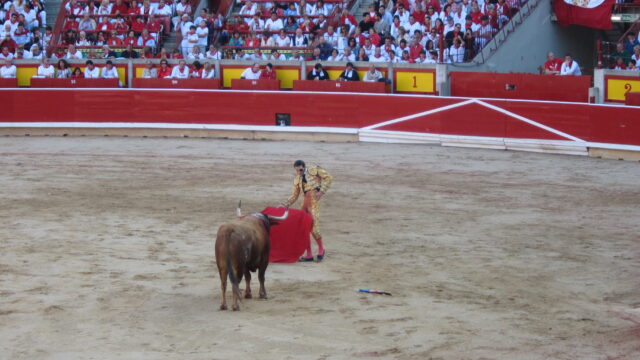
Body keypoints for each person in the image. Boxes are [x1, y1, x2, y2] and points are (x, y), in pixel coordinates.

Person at [284, 160, 333, 262]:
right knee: (304, 229)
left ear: (304, 167)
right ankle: (309, 254)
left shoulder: (314, 170)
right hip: (304, 204)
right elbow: (294, 195)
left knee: (314, 228)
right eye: (297, 171)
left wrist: (322, 192)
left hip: (313, 202)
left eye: (301, 170)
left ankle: (321, 249)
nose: (299, 172)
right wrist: (285, 204)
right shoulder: (297, 179)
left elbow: (329, 178)